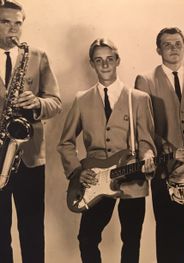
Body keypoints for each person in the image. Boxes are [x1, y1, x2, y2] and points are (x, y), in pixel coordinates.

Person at [57, 38, 156, 263]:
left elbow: (146, 141)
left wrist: (148, 155)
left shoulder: (139, 98)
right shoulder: (82, 99)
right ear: (92, 63)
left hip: (132, 178)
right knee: (87, 238)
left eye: (109, 59)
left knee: (131, 240)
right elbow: (65, 143)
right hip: (96, 180)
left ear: (118, 61)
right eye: (99, 60)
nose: (105, 65)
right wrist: (76, 171)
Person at [135, 27, 184, 263]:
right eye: (167, 45)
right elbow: (143, 125)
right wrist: (165, 147)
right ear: (158, 49)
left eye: (178, 44)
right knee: (166, 226)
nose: (173, 49)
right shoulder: (145, 80)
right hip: (164, 167)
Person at [0, 1, 61, 262]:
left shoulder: (36, 55)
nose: (13, 29)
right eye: (5, 22)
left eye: (18, 23)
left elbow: (55, 103)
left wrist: (37, 103)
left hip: (30, 156)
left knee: (32, 228)